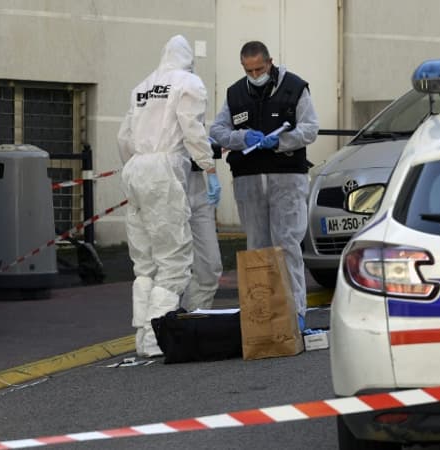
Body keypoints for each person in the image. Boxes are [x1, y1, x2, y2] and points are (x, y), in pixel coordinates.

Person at [117, 35, 220, 357]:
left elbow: (124, 136)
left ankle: (142, 337)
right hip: (165, 170)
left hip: (135, 170)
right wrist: (209, 167)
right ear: (189, 59)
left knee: (145, 264)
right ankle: (156, 339)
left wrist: (138, 167)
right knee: (174, 262)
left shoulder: (142, 86)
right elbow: (192, 129)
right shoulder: (187, 82)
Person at [209, 40, 319, 329]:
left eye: (259, 68)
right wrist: (241, 137)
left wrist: (282, 141)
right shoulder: (235, 94)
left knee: (287, 244)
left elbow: (310, 128)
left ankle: (296, 314)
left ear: (270, 62)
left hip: (286, 176)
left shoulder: (295, 87)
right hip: (249, 178)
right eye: (249, 69)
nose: (255, 73)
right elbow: (218, 131)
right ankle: (262, 317)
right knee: (257, 247)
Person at [181, 141, 224, 312]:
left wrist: (209, 168)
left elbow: (195, 135)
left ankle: (193, 319)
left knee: (210, 266)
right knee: (170, 269)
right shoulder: (144, 114)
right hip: (168, 182)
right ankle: (161, 328)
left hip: (197, 183)